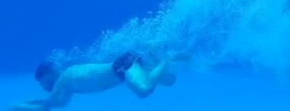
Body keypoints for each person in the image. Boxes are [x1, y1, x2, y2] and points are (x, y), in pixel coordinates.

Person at [10, 52, 187, 110]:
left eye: (42, 82)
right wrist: (27, 102)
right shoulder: (68, 85)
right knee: (170, 80)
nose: (43, 86)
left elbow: (47, 105)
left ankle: (167, 57)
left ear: (50, 73)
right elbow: (57, 104)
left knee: (144, 90)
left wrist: (16, 106)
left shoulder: (63, 79)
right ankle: (159, 59)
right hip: (124, 67)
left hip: (123, 65)